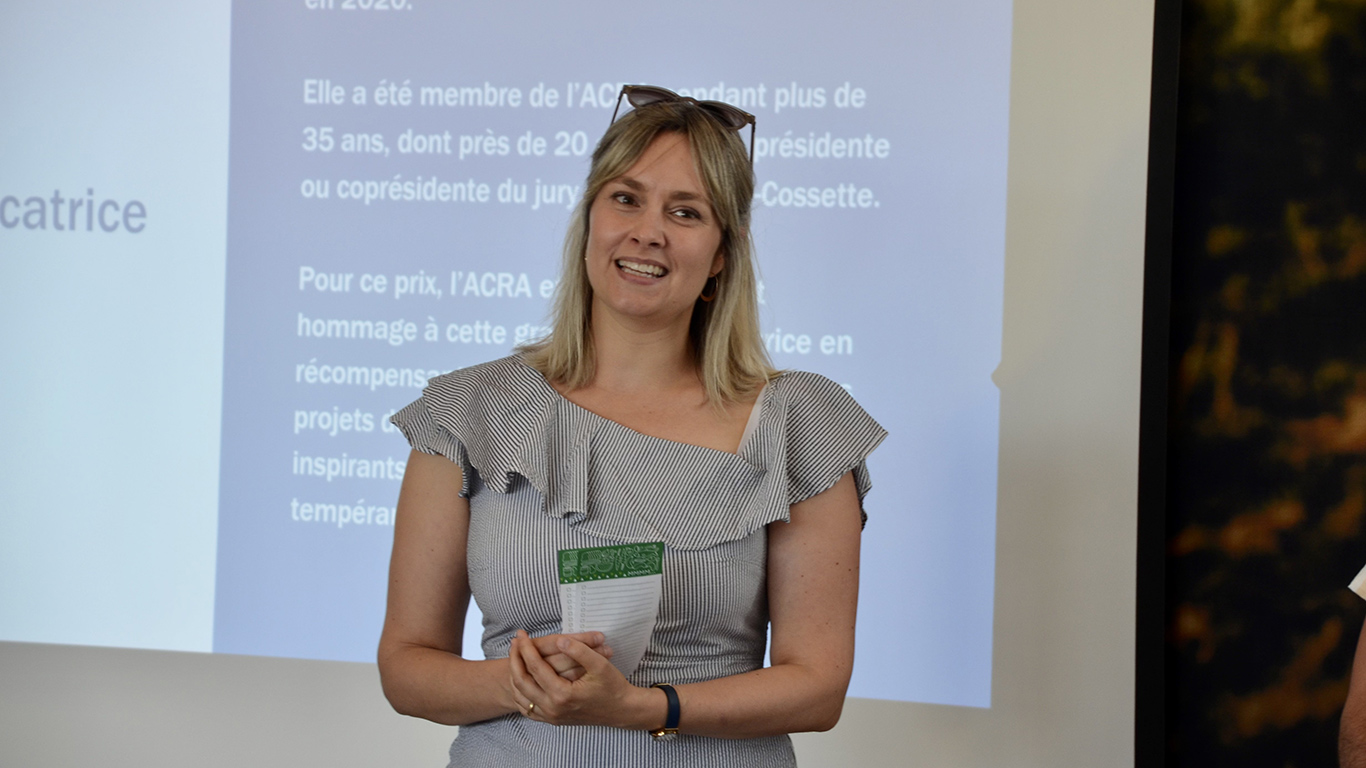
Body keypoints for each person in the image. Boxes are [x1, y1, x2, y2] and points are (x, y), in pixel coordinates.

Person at [378, 85, 887, 766]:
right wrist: (529, 682)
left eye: (685, 211)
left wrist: (642, 706)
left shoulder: (801, 421)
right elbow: (407, 667)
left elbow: (817, 689)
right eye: (626, 198)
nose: (648, 231)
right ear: (590, 219)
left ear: (722, 257)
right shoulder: (469, 411)